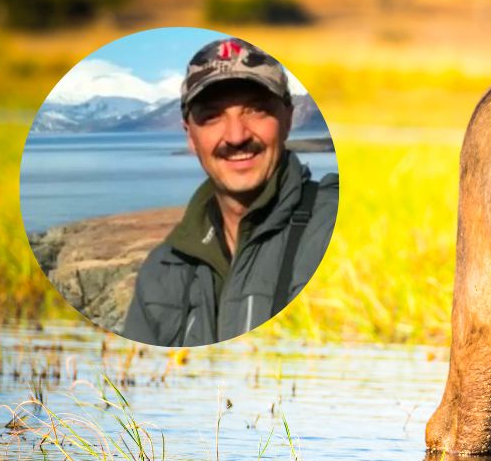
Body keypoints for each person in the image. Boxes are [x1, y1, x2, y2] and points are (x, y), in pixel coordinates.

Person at [123, 37, 337, 346]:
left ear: (288, 119)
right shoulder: (162, 270)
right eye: (212, 116)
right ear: (190, 136)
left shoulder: (334, 226)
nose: (236, 136)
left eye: (256, 110)